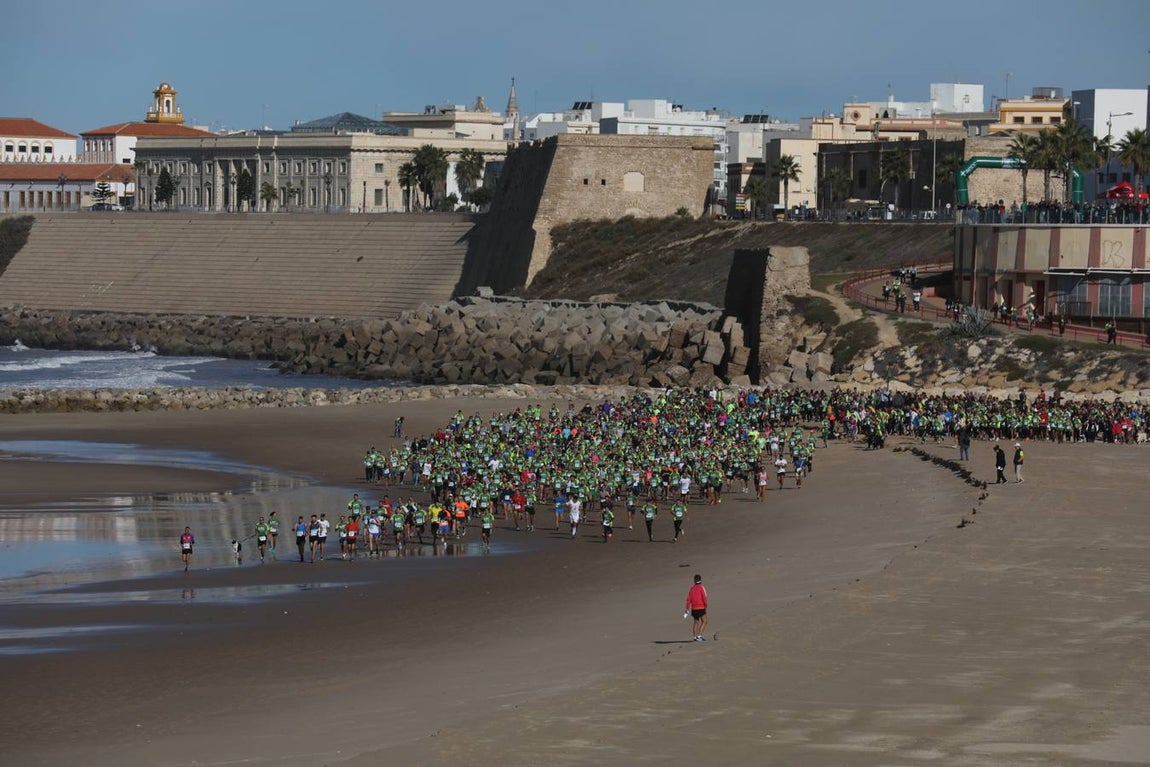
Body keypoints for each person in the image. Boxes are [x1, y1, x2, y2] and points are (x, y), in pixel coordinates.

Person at [684, 574, 708, 642]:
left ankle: (695, 637)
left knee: (696, 622)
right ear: (700, 580)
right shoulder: (701, 587)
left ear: (694, 580)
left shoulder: (692, 588)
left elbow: (688, 599)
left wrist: (687, 609)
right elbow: (704, 597)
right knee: (705, 621)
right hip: (701, 607)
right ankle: (699, 636)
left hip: (694, 608)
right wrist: (706, 606)